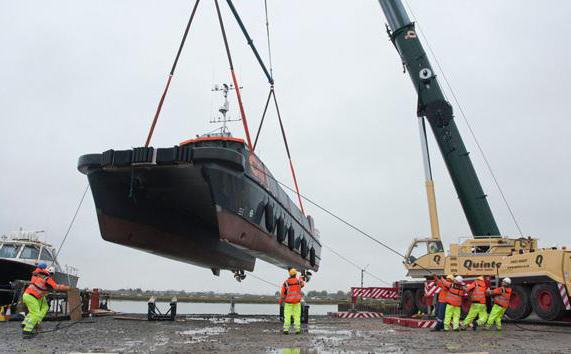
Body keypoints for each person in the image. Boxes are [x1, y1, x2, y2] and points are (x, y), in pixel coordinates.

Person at [22, 262, 70, 338]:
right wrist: (67, 288)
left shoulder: (36, 275)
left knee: (35, 311)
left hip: (28, 295)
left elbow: (41, 283)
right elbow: (56, 287)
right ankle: (27, 331)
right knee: (35, 313)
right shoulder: (47, 278)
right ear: (52, 274)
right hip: (33, 296)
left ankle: (25, 323)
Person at [279, 267, 305, 335]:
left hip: (288, 302)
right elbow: (302, 284)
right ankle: (297, 330)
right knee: (297, 316)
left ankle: (286, 330)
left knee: (287, 316)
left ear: (289, 274)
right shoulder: (299, 281)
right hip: (297, 302)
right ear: (296, 274)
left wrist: (281, 301)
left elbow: (282, 293)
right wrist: (301, 278)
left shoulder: (286, 282)